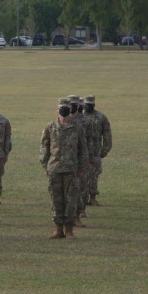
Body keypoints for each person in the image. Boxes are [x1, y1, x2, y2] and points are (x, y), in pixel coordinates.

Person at [40, 98, 88, 239]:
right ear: (57, 109)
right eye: (61, 107)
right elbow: (44, 148)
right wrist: (45, 167)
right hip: (54, 169)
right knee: (56, 200)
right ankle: (58, 229)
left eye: (66, 107)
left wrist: (81, 170)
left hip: (71, 170)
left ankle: (69, 230)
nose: (64, 110)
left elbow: (83, 150)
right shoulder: (50, 127)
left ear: (70, 109)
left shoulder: (77, 128)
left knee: (71, 201)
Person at [68, 95, 94, 227]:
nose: (72, 106)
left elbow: (89, 142)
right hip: (64, 161)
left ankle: (78, 214)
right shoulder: (61, 121)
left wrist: (88, 161)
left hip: (79, 161)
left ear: (79, 106)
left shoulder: (85, 122)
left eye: (74, 104)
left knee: (81, 188)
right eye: (70, 104)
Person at [82, 95, 112, 206]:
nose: (87, 107)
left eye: (90, 105)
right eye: (86, 105)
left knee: (94, 175)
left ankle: (92, 197)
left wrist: (105, 150)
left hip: (95, 151)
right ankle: (82, 198)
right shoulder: (79, 117)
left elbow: (107, 135)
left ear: (94, 105)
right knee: (81, 174)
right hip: (82, 151)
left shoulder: (101, 117)